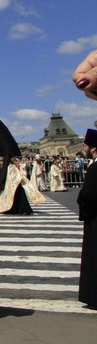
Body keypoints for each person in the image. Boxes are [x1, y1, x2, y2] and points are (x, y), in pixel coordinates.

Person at [78, 129, 97, 309]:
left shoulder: (95, 167)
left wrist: (84, 207)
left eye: (86, 145)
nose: (84, 147)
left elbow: (89, 194)